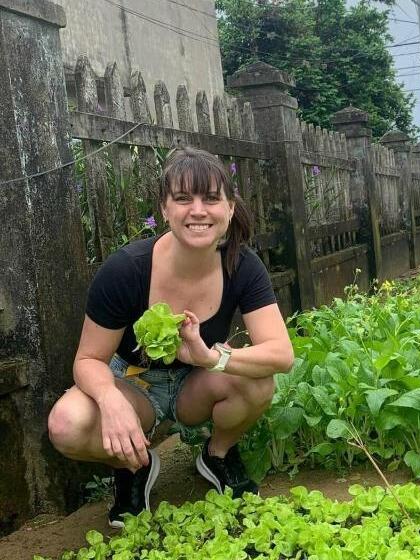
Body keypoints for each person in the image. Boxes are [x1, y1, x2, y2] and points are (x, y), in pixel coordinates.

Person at [48, 147, 294, 527]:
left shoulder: (242, 265)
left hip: (198, 383)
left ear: (229, 209)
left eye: (210, 198)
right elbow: (87, 360)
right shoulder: (126, 270)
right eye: (182, 198)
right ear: (165, 209)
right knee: (66, 423)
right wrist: (110, 399)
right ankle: (133, 466)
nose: (197, 210)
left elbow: (281, 354)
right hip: (134, 384)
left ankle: (217, 454)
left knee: (258, 381)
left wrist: (212, 358)